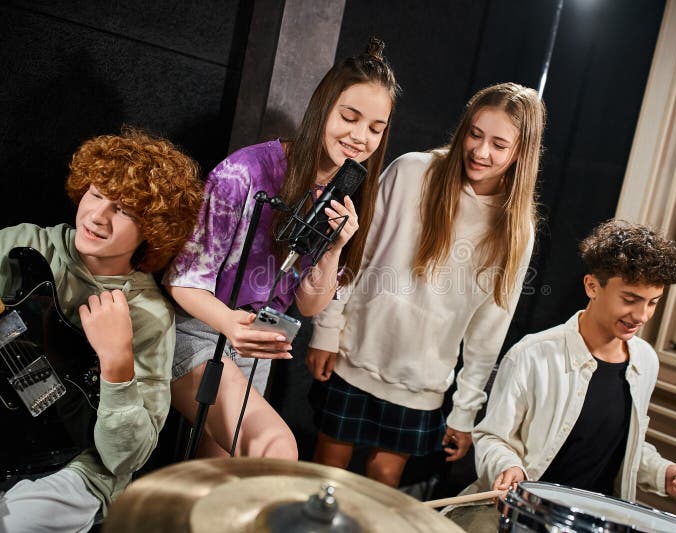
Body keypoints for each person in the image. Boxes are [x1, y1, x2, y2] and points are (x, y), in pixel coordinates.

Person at [163, 38, 400, 459]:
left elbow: (308, 307)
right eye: (349, 117)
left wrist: (333, 249)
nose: (360, 137)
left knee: (216, 487)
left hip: (259, 345)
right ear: (323, 107)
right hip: (201, 331)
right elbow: (182, 281)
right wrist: (231, 325)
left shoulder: (347, 195)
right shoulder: (244, 172)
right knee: (276, 449)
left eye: (376, 129)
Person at [306, 82, 546, 487]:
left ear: (521, 152)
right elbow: (354, 255)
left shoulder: (517, 229)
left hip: (421, 381)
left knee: (382, 485)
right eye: (475, 134)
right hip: (354, 353)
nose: (481, 151)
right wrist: (327, 329)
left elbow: (489, 329)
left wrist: (465, 412)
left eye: (499, 145)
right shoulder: (411, 171)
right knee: (324, 475)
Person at [0, 128, 203, 532]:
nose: (97, 216)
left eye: (125, 210)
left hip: (79, 461)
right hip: (8, 423)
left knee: (19, 521)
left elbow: (124, 457)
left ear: (153, 228)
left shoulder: (148, 314)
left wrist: (117, 361)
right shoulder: (24, 245)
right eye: (96, 195)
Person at [455, 220, 676, 530]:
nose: (641, 316)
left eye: (652, 303)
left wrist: (661, 472)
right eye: (630, 300)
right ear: (592, 286)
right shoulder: (532, 355)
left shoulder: (646, 361)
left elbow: (619, 444)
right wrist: (509, 466)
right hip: (531, 516)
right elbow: (492, 436)